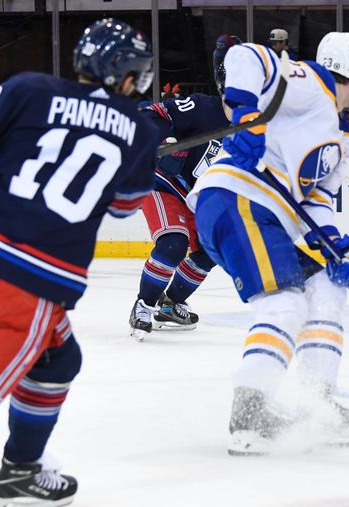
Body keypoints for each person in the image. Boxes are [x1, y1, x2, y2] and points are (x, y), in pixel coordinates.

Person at [0, 19, 159, 507]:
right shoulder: (139, 130)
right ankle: (19, 471)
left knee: (58, 359)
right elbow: (122, 207)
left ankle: (19, 473)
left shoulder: (27, 88)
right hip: (22, 281)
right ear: (130, 75)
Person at [187, 32, 349, 455]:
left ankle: (318, 406)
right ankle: (249, 413)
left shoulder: (337, 139)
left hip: (264, 213)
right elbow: (245, 55)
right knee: (285, 303)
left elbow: (317, 206)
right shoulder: (314, 83)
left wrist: (341, 252)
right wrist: (248, 114)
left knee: (326, 286)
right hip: (238, 198)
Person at [128, 36, 235, 338]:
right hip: (165, 183)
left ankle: (170, 304)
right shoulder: (201, 108)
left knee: (211, 251)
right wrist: (163, 140)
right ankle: (144, 304)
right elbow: (149, 113)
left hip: (199, 197)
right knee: (173, 244)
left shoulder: (255, 125)